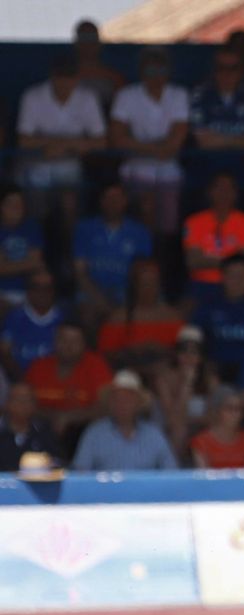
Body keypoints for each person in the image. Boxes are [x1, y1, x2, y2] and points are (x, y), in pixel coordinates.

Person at [109, 47, 189, 236]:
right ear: (142, 72)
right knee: (144, 209)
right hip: (135, 169)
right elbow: (117, 138)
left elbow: (175, 143)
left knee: (169, 221)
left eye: (161, 71)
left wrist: (138, 144)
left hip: (169, 170)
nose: (156, 77)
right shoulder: (127, 95)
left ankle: (163, 258)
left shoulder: (179, 95)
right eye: (151, 71)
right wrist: (158, 147)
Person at [15, 54, 105, 221]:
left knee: (70, 206)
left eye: (69, 77)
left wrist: (61, 145)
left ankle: (68, 246)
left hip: (70, 165)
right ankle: (38, 244)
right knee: (36, 208)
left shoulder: (87, 98)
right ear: (52, 76)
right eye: (60, 76)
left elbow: (100, 141)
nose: (65, 82)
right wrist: (69, 143)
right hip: (37, 164)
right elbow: (24, 140)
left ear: (77, 78)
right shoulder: (33, 96)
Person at [71, 369, 177, 471]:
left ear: (138, 403)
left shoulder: (154, 435)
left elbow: (171, 473)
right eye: (116, 399)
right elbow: (80, 473)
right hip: (106, 490)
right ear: (110, 403)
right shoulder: (94, 433)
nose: (121, 404)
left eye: (128, 399)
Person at [188, 46, 244, 186]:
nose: (226, 73)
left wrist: (219, 139)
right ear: (213, 70)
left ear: (241, 71)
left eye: (233, 68)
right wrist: (240, 142)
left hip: (240, 173)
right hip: (206, 171)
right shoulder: (199, 96)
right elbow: (204, 143)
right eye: (221, 67)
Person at [73, 183, 152, 315]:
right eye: (108, 198)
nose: (113, 203)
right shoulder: (84, 229)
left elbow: (141, 274)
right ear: (101, 202)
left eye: (117, 198)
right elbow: (80, 273)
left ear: (125, 201)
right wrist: (100, 301)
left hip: (125, 292)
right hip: (91, 290)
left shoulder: (140, 232)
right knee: (86, 311)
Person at [183, 173, 244, 305]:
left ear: (235, 193)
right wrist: (231, 260)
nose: (224, 193)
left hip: (237, 285)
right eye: (219, 188)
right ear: (210, 192)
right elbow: (193, 261)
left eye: (228, 189)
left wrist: (209, 260)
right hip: (202, 284)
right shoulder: (194, 222)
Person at [190, 255, 244, 376]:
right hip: (218, 373)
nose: (237, 281)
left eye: (242, 276)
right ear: (222, 277)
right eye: (232, 276)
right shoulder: (209, 305)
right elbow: (193, 338)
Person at [2, 271, 65, 376]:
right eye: (36, 287)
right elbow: (4, 352)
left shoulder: (64, 318)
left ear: (54, 291)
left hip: (55, 381)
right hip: (19, 380)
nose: (42, 292)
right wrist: (23, 379)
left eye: (47, 288)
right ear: (28, 291)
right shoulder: (13, 317)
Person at [0, 188, 47, 307]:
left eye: (20, 203)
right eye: (11, 203)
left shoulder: (32, 227)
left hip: (29, 292)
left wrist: (8, 266)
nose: (17, 207)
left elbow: (36, 262)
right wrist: (28, 264)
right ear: (2, 206)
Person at [0, 384, 60, 472]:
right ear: (7, 403)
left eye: (28, 400)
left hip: (37, 484)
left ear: (34, 405)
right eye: (18, 399)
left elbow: (58, 462)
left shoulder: (44, 432)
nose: (23, 404)